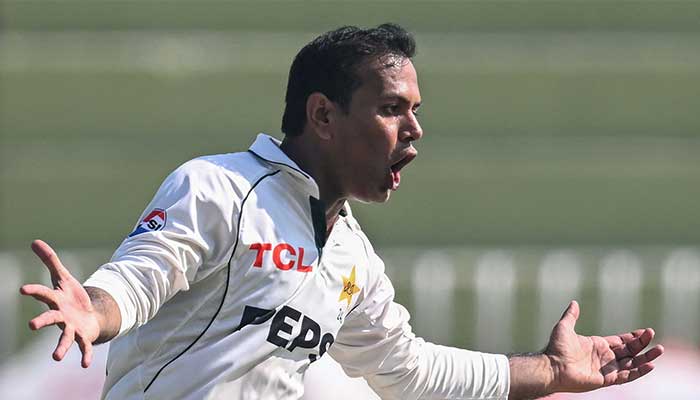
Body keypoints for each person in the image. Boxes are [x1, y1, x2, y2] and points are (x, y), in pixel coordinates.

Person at [21, 24, 663, 400]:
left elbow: (407, 369)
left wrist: (550, 372)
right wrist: (96, 310)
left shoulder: (353, 256)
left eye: (416, 111)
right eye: (391, 109)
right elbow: (143, 274)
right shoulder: (220, 187)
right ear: (323, 114)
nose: (413, 129)